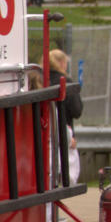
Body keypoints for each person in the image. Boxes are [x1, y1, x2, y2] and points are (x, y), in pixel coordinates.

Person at [50, 48, 82, 183]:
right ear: (62, 63)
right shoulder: (66, 82)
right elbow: (77, 111)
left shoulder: (40, 79)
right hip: (64, 133)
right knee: (65, 174)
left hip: (46, 133)